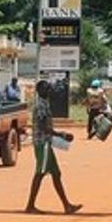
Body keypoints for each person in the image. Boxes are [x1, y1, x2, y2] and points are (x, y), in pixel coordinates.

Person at [25, 80, 81, 214]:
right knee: (40, 173)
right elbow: (44, 127)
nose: (49, 91)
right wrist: (61, 135)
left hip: (46, 142)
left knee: (56, 173)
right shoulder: (40, 106)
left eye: (49, 88)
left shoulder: (44, 104)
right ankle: (30, 205)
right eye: (46, 89)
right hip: (42, 143)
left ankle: (67, 205)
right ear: (40, 91)